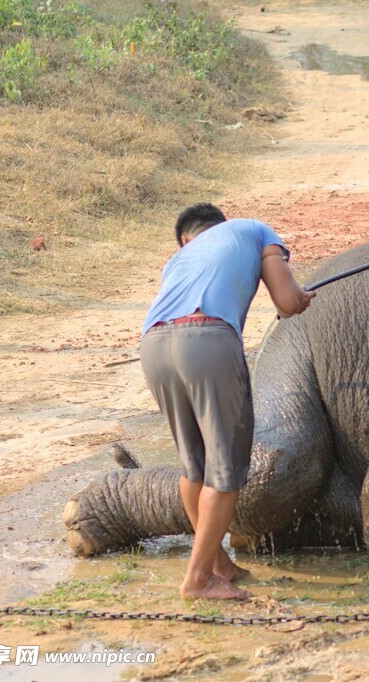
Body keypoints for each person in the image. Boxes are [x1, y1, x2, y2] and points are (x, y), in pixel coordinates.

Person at [140, 203, 314, 600]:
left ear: (188, 238)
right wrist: (300, 298)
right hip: (207, 339)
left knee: (194, 465)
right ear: (223, 225)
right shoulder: (256, 230)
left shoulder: (178, 259)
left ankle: (218, 565)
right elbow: (287, 303)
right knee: (225, 468)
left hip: (153, 343)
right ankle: (198, 579)